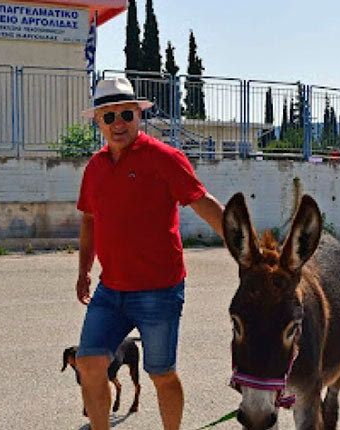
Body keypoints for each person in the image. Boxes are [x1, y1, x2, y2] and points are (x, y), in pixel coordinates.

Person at [74, 77, 224, 430]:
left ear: (139, 115)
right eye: (108, 117)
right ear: (98, 121)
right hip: (110, 291)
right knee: (89, 363)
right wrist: (83, 271)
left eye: (125, 114)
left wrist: (244, 248)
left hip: (159, 290)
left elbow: (202, 202)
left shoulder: (165, 158)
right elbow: (89, 221)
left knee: (161, 374)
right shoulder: (94, 168)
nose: (118, 124)